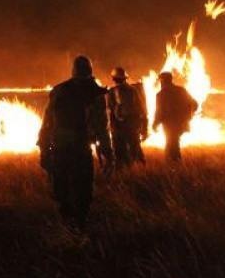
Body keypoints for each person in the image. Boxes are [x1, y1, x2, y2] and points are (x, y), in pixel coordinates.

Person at [35, 56, 112, 229]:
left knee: (62, 187)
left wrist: (43, 148)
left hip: (61, 147)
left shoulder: (59, 90)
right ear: (90, 71)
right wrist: (108, 151)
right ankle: (78, 223)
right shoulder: (95, 93)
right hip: (79, 147)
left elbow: (47, 123)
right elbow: (101, 126)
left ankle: (69, 221)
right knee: (82, 187)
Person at [107, 66, 149, 167]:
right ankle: (140, 167)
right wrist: (144, 127)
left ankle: (123, 170)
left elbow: (110, 110)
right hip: (133, 124)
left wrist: (110, 127)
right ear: (125, 78)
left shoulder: (111, 91)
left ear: (114, 79)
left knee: (119, 150)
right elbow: (141, 109)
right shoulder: (133, 90)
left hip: (119, 126)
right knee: (135, 147)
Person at [152, 72, 198, 162]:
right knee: (174, 142)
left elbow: (159, 112)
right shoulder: (181, 90)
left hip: (169, 124)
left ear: (162, 81)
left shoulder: (161, 94)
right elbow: (194, 104)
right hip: (181, 122)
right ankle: (174, 162)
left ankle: (173, 163)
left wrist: (155, 124)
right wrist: (189, 116)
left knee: (171, 143)